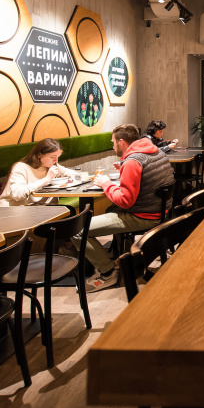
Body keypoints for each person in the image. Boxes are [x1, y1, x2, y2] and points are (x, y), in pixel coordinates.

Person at [74, 124, 174, 292]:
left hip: (144, 216)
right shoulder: (156, 152)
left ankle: (107, 272)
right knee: (110, 210)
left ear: (121, 142)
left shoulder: (133, 161)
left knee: (78, 230)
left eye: (113, 142)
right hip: (160, 211)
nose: (113, 146)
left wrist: (106, 184)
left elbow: (125, 201)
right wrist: (123, 170)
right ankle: (122, 258)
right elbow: (147, 179)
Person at [0, 138, 76, 206]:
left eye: (58, 157)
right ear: (39, 155)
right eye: (53, 157)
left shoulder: (48, 165)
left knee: (71, 211)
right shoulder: (21, 167)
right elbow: (17, 194)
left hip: (40, 207)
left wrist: (71, 176)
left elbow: (70, 172)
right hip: (15, 209)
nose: (56, 160)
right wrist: (46, 179)